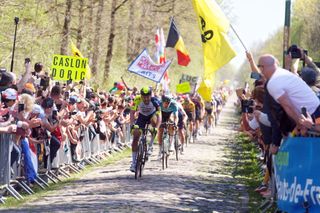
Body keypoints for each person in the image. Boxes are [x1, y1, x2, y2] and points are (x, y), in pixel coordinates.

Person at [129, 87, 161, 172]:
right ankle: (134, 162)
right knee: (136, 136)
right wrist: (132, 124)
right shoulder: (137, 99)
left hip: (152, 116)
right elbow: (132, 112)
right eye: (144, 97)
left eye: (148, 96)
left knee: (153, 123)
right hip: (142, 117)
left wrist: (156, 128)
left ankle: (150, 145)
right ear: (141, 96)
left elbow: (159, 115)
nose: (146, 99)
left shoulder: (155, 101)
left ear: (151, 95)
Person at [157, 94, 179, 158]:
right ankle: (160, 148)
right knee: (160, 130)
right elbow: (157, 115)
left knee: (171, 125)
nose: (167, 105)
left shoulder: (174, 104)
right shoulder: (159, 104)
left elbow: (176, 117)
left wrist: (175, 124)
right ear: (162, 102)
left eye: (168, 103)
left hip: (170, 114)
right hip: (161, 114)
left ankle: (171, 143)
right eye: (165, 103)